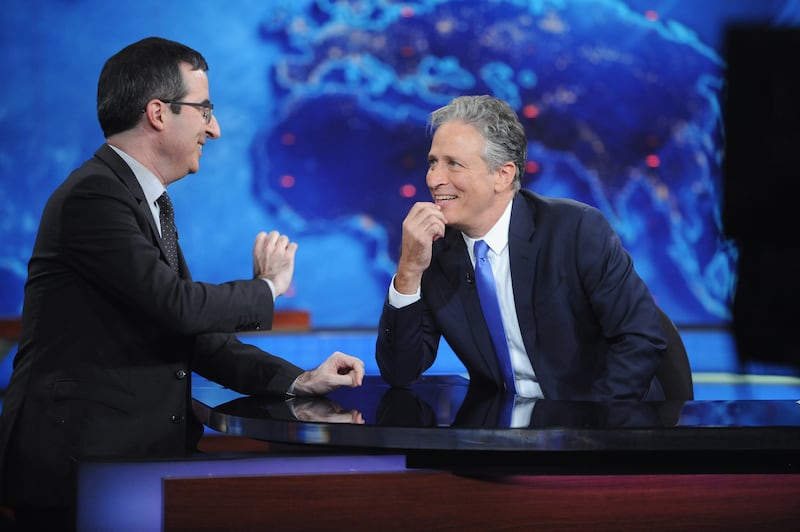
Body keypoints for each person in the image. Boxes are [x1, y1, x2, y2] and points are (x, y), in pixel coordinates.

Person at [0, 37, 364, 529]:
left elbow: (188, 334)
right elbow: (177, 307)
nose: (213, 128)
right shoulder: (94, 197)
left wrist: (299, 381)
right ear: (157, 113)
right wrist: (268, 288)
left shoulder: (139, 200)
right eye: (204, 109)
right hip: (78, 465)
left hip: (131, 463)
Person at [376, 95, 666, 401]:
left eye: (453, 164)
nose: (434, 179)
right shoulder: (434, 251)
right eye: (433, 163)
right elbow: (400, 372)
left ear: (503, 175)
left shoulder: (576, 230)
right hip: (505, 433)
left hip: (601, 423)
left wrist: (585, 432)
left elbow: (641, 339)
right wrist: (408, 270)